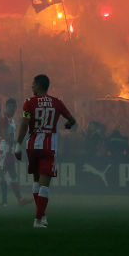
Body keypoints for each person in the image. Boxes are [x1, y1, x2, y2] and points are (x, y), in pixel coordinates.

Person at [14, 74, 76, 228]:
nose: (31, 86)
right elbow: (72, 120)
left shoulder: (29, 103)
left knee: (36, 182)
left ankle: (42, 215)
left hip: (33, 146)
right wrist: (68, 125)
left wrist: (17, 145)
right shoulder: (57, 103)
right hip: (49, 147)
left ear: (39, 85)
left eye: (33, 84)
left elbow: (24, 124)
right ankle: (38, 219)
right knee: (45, 185)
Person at [0, 98, 29, 207]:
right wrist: (19, 143)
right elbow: (5, 136)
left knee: (13, 175)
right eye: (10, 107)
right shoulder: (4, 119)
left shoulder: (11, 119)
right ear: (7, 107)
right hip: (4, 149)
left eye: (14, 106)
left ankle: (20, 199)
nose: (13, 109)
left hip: (9, 150)